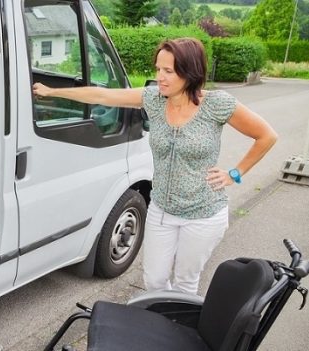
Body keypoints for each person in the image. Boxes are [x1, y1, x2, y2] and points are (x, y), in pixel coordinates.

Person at [33, 38, 277, 295]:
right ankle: (162, 315)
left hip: (203, 214)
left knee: (185, 282)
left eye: (168, 71)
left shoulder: (216, 104)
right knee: (154, 281)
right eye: (158, 69)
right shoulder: (153, 99)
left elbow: (266, 136)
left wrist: (235, 173)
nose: (160, 77)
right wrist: (52, 92)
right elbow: (102, 95)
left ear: (190, 71)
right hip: (162, 210)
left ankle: (173, 328)